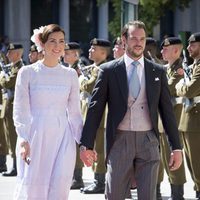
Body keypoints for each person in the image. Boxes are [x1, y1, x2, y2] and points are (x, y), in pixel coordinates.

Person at [79, 20, 182, 200]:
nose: (138, 43)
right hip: (119, 141)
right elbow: (95, 110)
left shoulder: (157, 71)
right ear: (124, 39)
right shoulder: (108, 71)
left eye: (142, 39)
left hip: (148, 142)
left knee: (148, 197)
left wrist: (177, 148)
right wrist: (86, 145)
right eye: (134, 38)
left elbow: (167, 113)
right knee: (114, 195)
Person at [13, 24, 82, 199]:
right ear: (42, 44)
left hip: (62, 137)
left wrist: (84, 144)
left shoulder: (70, 75)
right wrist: (23, 139)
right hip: (35, 135)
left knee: (59, 188)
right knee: (34, 190)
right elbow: (20, 110)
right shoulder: (27, 73)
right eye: (52, 41)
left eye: (61, 41)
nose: (57, 46)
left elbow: (75, 114)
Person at [79, 38, 111, 194]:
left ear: (103, 52)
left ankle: (100, 182)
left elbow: (89, 85)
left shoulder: (102, 69)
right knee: (92, 147)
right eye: (91, 47)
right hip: (92, 115)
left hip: (101, 117)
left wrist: (81, 81)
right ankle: (97, 180)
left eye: (94, 48)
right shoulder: (94, 68)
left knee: (98, 149)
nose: (90, 50)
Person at [159, 37, 186, 200]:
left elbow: (167, 89)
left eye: (166, 49)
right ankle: (171, 191)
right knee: (163, 158)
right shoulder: (166, 69)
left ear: (176, 51)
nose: (162, 51)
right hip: (162, 120)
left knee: (173, 157)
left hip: (174, 119)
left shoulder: (179, 70)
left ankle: (178, 194)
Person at [176, 32, 200, 199]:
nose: (189, 48)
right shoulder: (194, 66)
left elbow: (191, 89)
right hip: (188, 120)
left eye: (193, 45)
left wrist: (180, 86)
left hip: (196, 120)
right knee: (192, 164)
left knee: (197, 163)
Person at [0, 43, 24, 177]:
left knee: (14, 137)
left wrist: (2, 77)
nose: (8, 55)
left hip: (15, 106)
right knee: (9, 136)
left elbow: (8, 83)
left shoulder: (20, 68)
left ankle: (16, 167)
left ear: (18, 54)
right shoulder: (13, 68)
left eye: (10, 52)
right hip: (8, 106)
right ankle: (13, 165)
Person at [64, 41, 85, 189]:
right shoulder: (69, 68)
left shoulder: (80, 68)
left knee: (76, 144)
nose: (63, 54)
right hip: (69, 110)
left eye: (67, 52)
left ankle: (78, 178)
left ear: (75, 54)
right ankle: (73, 176)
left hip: (78, 110)